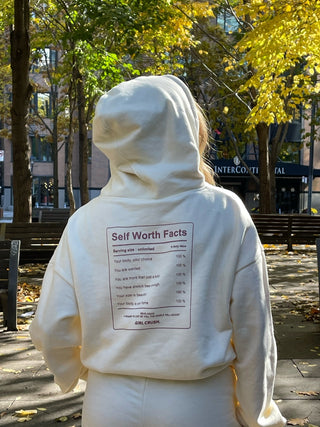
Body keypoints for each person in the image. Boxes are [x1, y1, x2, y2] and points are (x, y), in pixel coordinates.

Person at [30, 75, 286, 427]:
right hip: (199, 403)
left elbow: (51, 325)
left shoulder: (85, 222)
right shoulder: (224, 213)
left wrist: (78, 373)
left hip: (108, 403)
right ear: (181, 128)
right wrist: (258, 412)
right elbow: (253, 329)